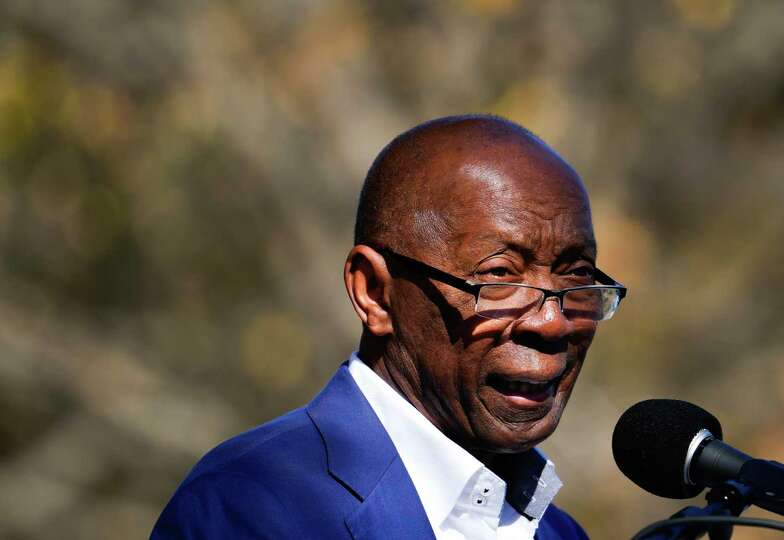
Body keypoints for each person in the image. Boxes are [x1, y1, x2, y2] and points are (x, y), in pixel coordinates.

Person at [151, 115, 627, 539]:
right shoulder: (250, 508)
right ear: (375, 293)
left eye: (577, 276)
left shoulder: (557, 531)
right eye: (498, 276)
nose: (552, 321)